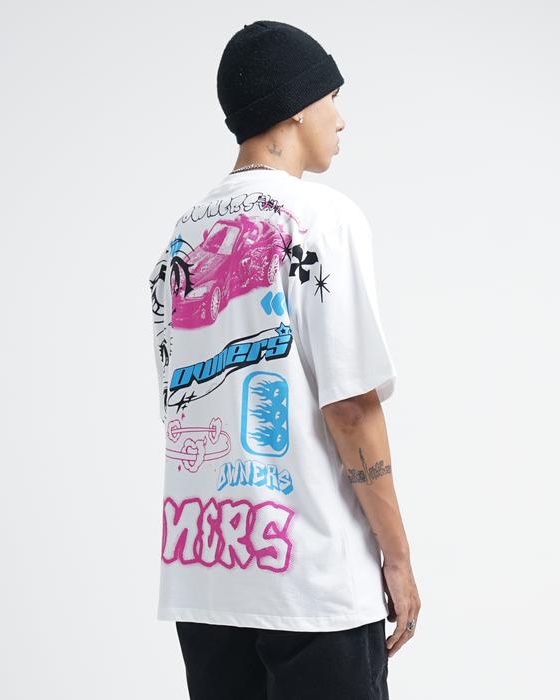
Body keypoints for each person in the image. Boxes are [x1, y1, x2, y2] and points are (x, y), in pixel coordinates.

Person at [149, 19, 420, 700]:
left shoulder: (181, 239)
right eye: (333, 97)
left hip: (207, 576)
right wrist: (397, 557)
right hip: (312, 583)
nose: (341, 118)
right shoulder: (322, 220)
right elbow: (351, 407)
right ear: (296, 105)